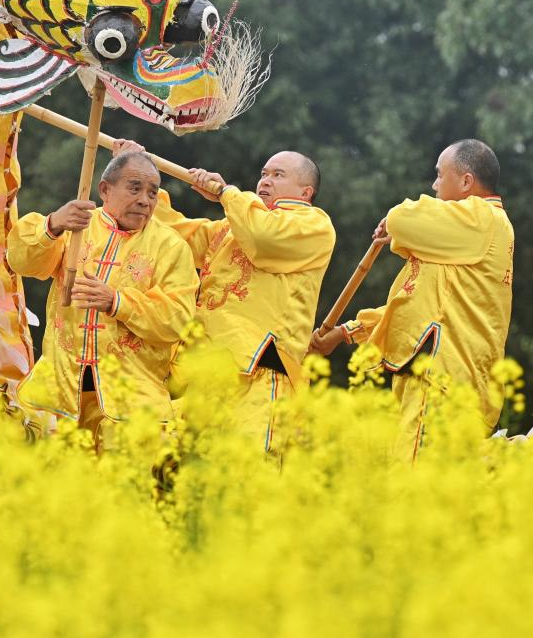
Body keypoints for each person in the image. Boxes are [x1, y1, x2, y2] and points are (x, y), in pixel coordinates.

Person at [112, 141, 336, 450]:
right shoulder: (232, 227)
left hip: (261, 368)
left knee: (246, 473)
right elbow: (176, 235)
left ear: (305, 193)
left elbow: (263, 236)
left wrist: (226, 193)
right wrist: (141, 175)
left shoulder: (314, 225)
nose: (265, 181)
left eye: (278, 174)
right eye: (264, 173)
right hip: (213, 368)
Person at [310, 139, 514, 460]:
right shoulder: (456, 245)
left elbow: (404, 218)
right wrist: (344, 332)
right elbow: (410, 306)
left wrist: (394, 223)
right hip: (440, 380)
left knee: (416, 486)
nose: (433, 185)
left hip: (444, 381)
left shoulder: (481, 217)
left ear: (465, 182)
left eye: (439, 175)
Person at [7, 151, 199, 448]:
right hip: (59, 390)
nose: (145, 200)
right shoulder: (76, 226)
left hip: (132, 402)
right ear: (105, 190)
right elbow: (21, 262)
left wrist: (117, 302)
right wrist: (53, 225)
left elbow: (177, 320)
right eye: (134, 188)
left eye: (152, 193)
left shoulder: (171, 248)